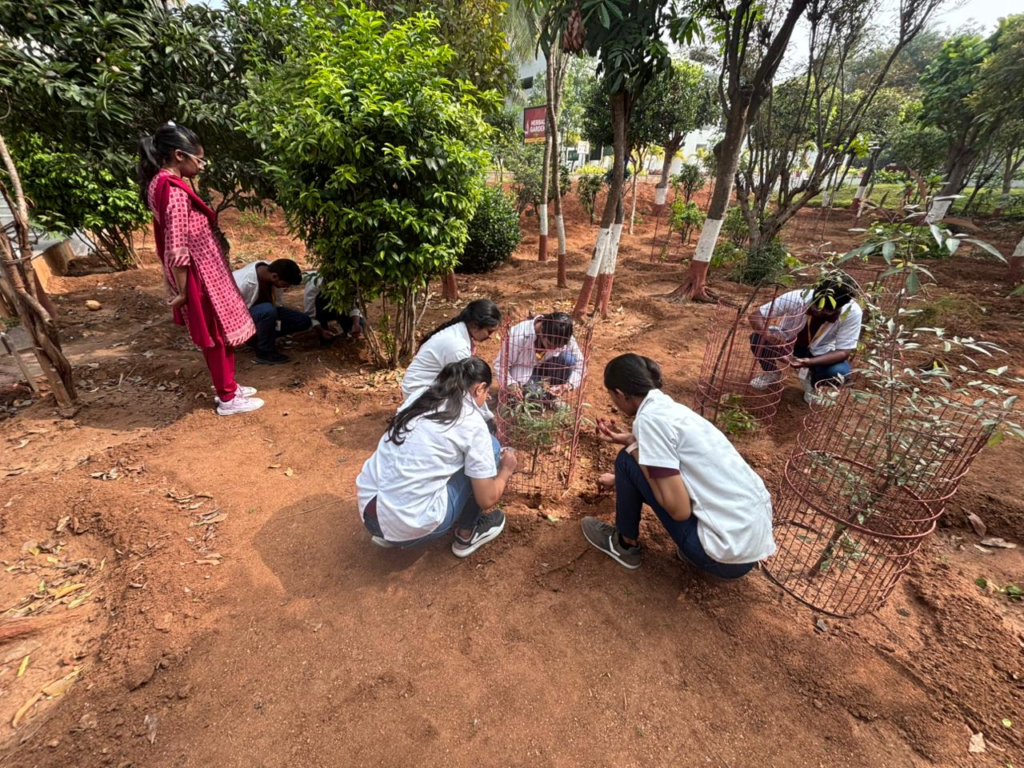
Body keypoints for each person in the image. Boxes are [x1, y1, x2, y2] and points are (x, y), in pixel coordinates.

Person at [582, 354, 775, 579]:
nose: (612, 401)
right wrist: (629, 441)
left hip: (725, 558)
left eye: (611, 395)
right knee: (635, 454)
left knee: (627, 460)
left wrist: (633, 448)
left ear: (621, 394)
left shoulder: (648, 421)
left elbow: (679, 510)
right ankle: (700, 547)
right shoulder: (670, 408)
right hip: (748, 543)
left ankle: (624, 546)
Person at [138, 122, 264, 416]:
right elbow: (177, 246)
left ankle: (229, 385)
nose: (202, 166)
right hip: (199, 277)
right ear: (179, 155)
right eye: (199, 159)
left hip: (201, 273)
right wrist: (183, 290)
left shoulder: (160, 182)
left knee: (218, 333)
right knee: (215, 335)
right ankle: (228, 398)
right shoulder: (175, 192)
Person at [357, 357, 518, 557]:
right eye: (487, 393)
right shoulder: (472, 421)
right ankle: (467, 535)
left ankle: (388, 528)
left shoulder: (422, 395)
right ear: (480, 388)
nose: (487, 398)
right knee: (491, 446)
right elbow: (487, 499)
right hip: (411, 526)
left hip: (369, 511)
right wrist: (505, 471)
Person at [749, 277, 862, 404]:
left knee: (839, 373)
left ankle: (812, 383)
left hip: (821, 351)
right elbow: (756, 315)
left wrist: (809, 362)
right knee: (757, 338)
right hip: (787, 343)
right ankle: (772, 373)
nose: (819, 312)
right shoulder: (797, 297)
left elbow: (843, 352)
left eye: (826, 311)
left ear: (839, 307)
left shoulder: (852, 313)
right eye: (816, 306)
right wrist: (768, 335)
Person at [401, 299, 502, 402]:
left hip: (428, 388)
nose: (490, 337)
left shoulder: (459, 332)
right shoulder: (457, 346)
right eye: (489, 332)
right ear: (475, 325)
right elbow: (466, 387)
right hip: (419, 393)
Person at [232, 259, 312, 365]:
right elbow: (230, 314)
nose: (286, 287)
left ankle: (259, 338)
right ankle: (264, 352)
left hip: (266, 312)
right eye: (285, 284)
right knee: (267, 310)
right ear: (275, 276)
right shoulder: (242, 283)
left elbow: (277, 304)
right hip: (239, 317)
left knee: (303, 320)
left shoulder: (272, 270)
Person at [494, 312, 584, 395]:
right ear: (541, 330)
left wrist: (569, 385)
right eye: (550, 344)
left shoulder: (563, 336)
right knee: (534, 394)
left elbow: (581, 364)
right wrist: (511, 384)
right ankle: (533, 396)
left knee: (569, 360)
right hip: (522, 369)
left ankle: (552, 397)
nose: (553, 349)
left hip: (545, 364)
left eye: (558, 347)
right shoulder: (519, 334)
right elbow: (500, 365)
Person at [302, 271, 365, 345]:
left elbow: (355, 305)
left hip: (341, 309)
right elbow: (310, 314)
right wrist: (321, 330)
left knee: (360, 324)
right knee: (326, 341)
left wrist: (356, 323)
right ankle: (324, 328)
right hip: (322, 309)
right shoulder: (313, 285)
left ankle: (347, 328)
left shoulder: (349, 283)